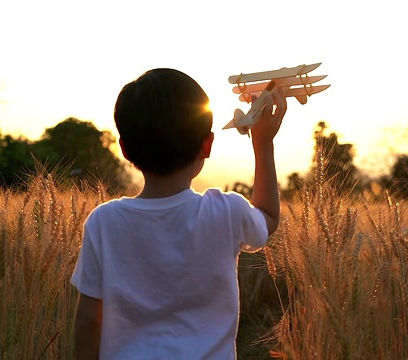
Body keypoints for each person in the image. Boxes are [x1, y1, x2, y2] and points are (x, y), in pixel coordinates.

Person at [71, 68, 286, 359]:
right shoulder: (227, 212)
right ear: (207, 145)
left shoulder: (103, 222)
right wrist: (263, 144)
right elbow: (268, 218)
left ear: (124, 149)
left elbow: (88, 321)